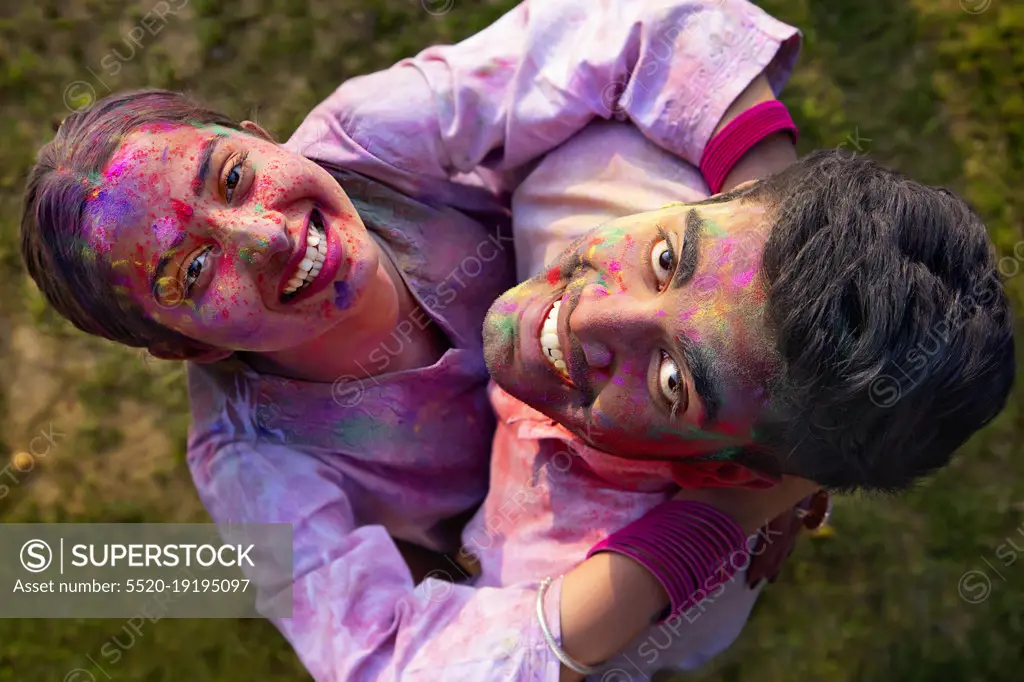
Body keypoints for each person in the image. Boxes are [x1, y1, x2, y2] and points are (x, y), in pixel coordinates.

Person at [19, 1, 814, 680]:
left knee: (619, 145)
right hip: (548, 513)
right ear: (188, 348)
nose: (265, 236)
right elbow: (391, 663)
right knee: (620, 632)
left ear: (263, 137)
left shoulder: (364, 136)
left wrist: (781, 245)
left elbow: (630, 21)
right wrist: (720, 518)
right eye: (193, 271)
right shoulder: (251, 463)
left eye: (231, 177)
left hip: (602, 312)